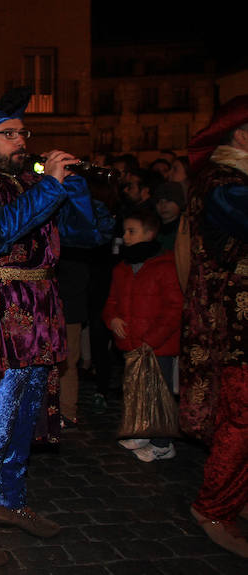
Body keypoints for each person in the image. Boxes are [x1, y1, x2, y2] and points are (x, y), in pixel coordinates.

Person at [0, 87, 113, 567]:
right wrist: (49, 188)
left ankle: (9, 503)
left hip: (41, 312)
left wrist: (72, 186)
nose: (21, 141)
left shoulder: (26, 183)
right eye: (9, 133)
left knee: (24, 420)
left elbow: (89, 235)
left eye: (22, 132)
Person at [178, 95, 248, 558]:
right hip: (235, 331)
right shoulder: (223, 185)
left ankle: (235, 498)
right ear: (240, 135)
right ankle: (213, 506)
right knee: (240, 419)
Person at [102, 206, 182, 462]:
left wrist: (152, 340)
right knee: (136, 392)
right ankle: (142, 432)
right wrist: (112, 318)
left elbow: (174, 308)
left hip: (156, 346)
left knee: (158, 393)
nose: (125, 236)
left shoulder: (165, 266)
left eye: (132, 231)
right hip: (131, 342)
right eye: (125, 230)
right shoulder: (123, 267)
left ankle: (162, 443)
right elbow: (112, 300)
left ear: (150, 233)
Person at [152, 181, 185, 251]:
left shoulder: (185, 230)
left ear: (179, 203)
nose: (163, 206)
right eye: (159, 201)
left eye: (169, 200)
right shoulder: (152, 229)